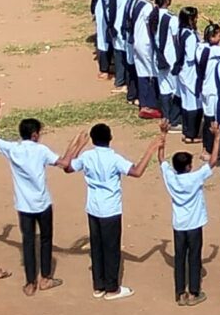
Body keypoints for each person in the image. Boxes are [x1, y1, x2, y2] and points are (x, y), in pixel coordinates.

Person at [64, 121, 158, 299]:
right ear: (110, 139)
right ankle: (112, 288)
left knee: (97, 247)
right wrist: (150, 151)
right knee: (111, 249)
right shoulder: (114, 158)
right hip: (111, 209)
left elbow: (68, 167)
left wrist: (78, 146)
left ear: (92, 140)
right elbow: (137, 172)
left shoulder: (87, 156)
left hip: (93, 208)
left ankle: (98, 285)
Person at [0, 109, 62, 295]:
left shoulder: (13, 149)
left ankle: (30, 282)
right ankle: (46, 277)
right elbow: (63, 163)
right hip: (43, 203)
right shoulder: (41, 150)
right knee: (46, 239)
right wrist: (76, 147)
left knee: (28, 241)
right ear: (34, 135)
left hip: (24, 206)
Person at [164, 146, 213, 305]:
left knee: (179, 258)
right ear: (188, 167)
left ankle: (180, 293)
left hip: (179, 225)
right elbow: (212, 162)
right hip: (194, 224)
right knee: (194, 257)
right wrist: (218, 138)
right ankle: (194, 292)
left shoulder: (170, 177)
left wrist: (163, 137)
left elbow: (161, 160)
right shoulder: (195, 178)